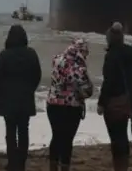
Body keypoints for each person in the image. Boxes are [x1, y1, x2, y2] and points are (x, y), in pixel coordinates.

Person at [0, 24, 42, 171]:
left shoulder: (4, 54)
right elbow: (37, 75)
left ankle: (12, 163)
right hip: (26, 99)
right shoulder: (31, 54)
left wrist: (0, 92)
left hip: (8, 100)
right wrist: (30, 89)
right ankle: (21, 163)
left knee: (10, 131)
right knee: (23, 131)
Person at [46, 38, 93, 171]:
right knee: (67, 140)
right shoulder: (79, 68)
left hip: (53, 104)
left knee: (56, 136)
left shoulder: (56, 59)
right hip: (71, 107)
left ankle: (53, 167)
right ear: (81, 51)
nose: (86, 56)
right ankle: (64, 167)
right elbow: (87, 90)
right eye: (86, 53)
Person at [97, 22, 132, 171]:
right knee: (123, 135)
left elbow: (109, 82)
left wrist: (101, 103)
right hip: (127, 99)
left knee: (115, 137)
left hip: (113, 102)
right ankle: (124, 165)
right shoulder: (131, 52)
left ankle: (118, 166)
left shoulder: (111, 56)